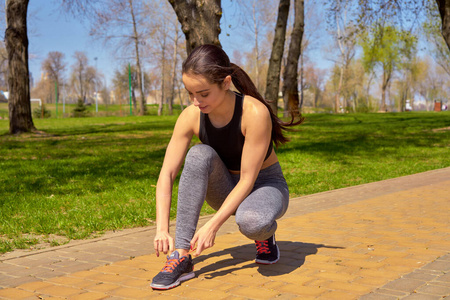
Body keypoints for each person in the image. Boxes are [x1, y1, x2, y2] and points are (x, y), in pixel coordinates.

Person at [150, 44, 303, 290]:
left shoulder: (254, 112)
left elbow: (247, 181)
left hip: (263, 185)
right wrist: (161, 230)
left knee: (252, 222)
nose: (196, 101)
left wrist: (212, 225)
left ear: (226, 82)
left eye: (203, 93)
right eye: (190, 93)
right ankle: (180, 256)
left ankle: (264, 235)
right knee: (199, 154)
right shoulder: (190, 116)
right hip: (224, 186)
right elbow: (166, 174)